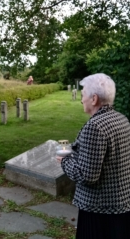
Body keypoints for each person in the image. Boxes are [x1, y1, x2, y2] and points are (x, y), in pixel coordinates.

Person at [57, 73, 130, 239]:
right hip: (121, 206)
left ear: (94, 99)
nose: (82, 100)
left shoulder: (95, 126)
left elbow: (87, 175)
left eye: (83, 95)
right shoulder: (121, 119)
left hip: (98, 210)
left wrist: (64, 160)